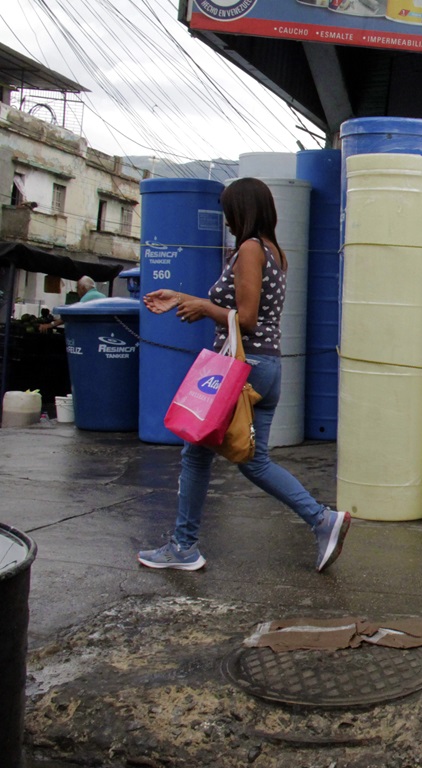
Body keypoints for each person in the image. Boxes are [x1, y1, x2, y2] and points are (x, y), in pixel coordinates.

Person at [136, 177, 351, 572]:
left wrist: (201, 307)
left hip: (242, 368)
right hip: (265, 367)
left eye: (230, 213)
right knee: (253, 461)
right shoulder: (274, 252)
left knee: (196, 453)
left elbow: (246, 319)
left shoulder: (250, 250)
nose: (227, 222)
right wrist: (182, 299)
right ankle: (322, 520)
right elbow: (240, 309)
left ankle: (183, 546)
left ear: (244, 211)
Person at [38, 276, 104, 331]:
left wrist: (50, 325)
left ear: (83, 288)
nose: (77, 292)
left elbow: (70, 316)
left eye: (77, 288)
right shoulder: (103, 296)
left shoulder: (86, 298)